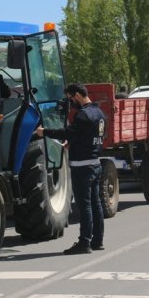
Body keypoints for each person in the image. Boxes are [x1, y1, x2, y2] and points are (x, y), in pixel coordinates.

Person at [34, 83, 106, 254]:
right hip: (95, 163)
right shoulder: (100, 113)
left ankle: (84, 242)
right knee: (96, 204)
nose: (70, 102)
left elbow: (67, 132)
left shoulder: (83, 115)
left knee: (85, 205)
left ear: (77, 95)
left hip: (82, 166)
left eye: (70, 98)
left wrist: (45, 132)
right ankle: (98, 240)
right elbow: (89, 135)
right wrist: (73, 142)